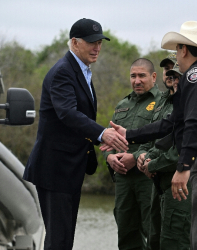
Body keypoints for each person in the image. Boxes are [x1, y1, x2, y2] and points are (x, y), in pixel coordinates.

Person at [101, 21, 197, 250]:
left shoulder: (196, 75)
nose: (176, 57)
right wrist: (130, 134)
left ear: (184, 49)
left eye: (176, 51)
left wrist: (183, 168)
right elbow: (173, 123)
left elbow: (196, 123)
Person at [23, 18, 128, 250]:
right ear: (74, 42)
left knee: (64, 240)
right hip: (55, 168)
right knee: (58, 241)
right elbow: (67, 114)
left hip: (71, 168)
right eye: (91, 42)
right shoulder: (63, 71)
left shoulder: (82, 71)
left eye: (100, 42)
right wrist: (103, 133)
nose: (97, 47)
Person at [103, 58, 162, 250]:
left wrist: (135, 157)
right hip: (123, 180)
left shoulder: (162, 103)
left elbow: (164, 140)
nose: (137, 80)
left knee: (153, 231)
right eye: (133, 76)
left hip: (149, 179)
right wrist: (110, 157)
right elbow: (109, 139)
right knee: (126, 233)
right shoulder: (122, 104)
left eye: (142, 76)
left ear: (153, 77)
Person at [136, 56, 191, 250]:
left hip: (180, 184)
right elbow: (154, 137)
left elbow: (180, 149)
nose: (169, 74)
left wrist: (152, 164)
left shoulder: (190, 103)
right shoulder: (159, 102)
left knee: (175, 241)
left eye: (174, 70)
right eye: (166, 69)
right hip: (158, 183)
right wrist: (143, 156)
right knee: (155, 240)